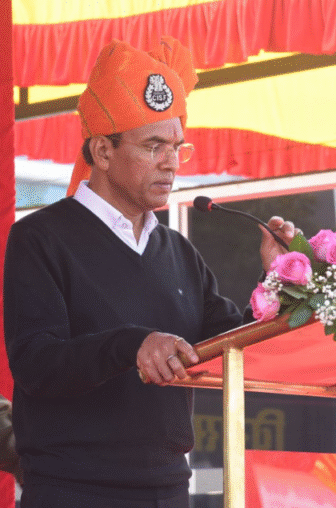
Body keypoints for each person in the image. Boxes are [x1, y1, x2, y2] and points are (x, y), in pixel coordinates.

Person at [3, 37, 296, 507]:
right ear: (101, 151)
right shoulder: (40, 238)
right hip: (71, 490)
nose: (170, 163)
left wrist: (280, 280)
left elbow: (229, 348)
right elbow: (37, 364)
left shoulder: (178, 251)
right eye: (153, 145)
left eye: (177, 147)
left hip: (167, 490)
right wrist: (131, 345)